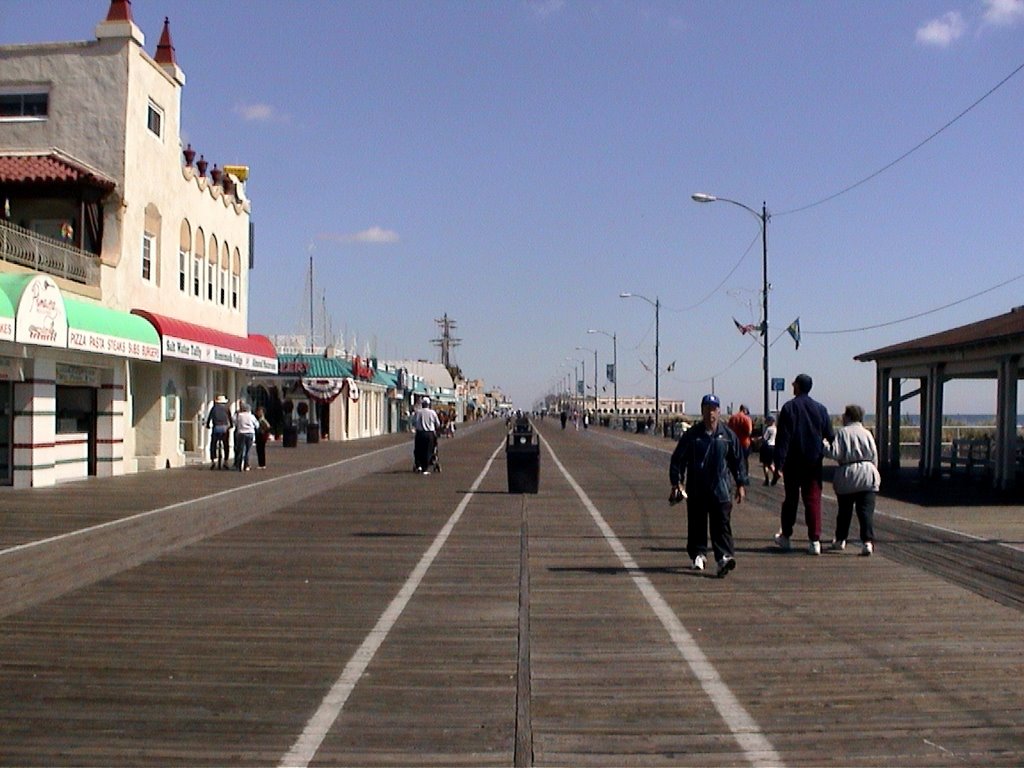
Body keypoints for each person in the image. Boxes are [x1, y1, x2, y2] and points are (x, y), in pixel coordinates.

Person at [669, 393, 748, 577]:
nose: (710, 414)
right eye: (706, 409)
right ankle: (698, 554)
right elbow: (678, 459)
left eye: (713, 410)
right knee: (697, 523)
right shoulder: (692, 435)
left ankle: (724, 558)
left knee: (722, 524)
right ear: (702, 411)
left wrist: (741, 484)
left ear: (719, 411)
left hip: (721, 489)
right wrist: (676, 482)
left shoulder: (728, 436)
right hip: (697, 488)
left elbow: (738, 461)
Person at [773, 373, 835, 555]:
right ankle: (814, 540)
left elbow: (783, 439)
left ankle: (786, 536)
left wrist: (778, 465)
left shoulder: (789, 408)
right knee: (813, 500)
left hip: (793, 462)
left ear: (798, 386)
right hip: (813, 462)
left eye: (794, 384)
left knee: (791, 499)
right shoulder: (821, 409)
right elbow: (830, 435)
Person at [824, 404, 880, 556]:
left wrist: (823, 444)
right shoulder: (867, 433)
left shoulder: (843, 433)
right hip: (868, 474)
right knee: (865, 512)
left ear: (848, 416)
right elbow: (874, 455)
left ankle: (841, 539)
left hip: (848, 474)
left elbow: (835, 453)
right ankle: (867, 542)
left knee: (844, 511)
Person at [411, 396, 441, 474]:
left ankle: (419, 466)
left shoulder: (418, 412)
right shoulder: (432, 413)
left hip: (420, 433)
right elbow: (438, 424)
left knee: (418, 450)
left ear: (422, 404)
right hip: (429, 434)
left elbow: (413, 422)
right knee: (429, 450)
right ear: (428, 404)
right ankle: (425, 468)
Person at [205, 394, 232, 470]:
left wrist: (208, 425)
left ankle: (213, 460)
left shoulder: (214, 408)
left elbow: (209, 417)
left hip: (216, 427)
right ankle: (226, 461)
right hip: (224, 428)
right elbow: (230, 418)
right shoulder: (227, 408)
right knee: (226, 444)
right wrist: (231, 425)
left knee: (213, 444)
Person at [233, 401, 259, 471]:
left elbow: (234, 422)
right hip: (250, 433)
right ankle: (246, 465)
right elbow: (257, 424)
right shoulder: (251, 416)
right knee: (248, 450)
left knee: (240, 449)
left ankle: (238, 464)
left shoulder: (239, 415)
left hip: (241, 433)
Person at [727, 404, 753, 472]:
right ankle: (744, 475)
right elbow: (749, 432)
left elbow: (728, 429)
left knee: (735, 459)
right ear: (745, 410)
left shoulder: (733, 417)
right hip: (744, 443)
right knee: (744, 460)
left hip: (734, 442)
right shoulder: (746, 418)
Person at [758, 415, 777, 486]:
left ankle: (767, 479)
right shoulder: (776, 429)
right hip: (773, 446)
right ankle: (775, 474)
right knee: (771, 463)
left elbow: (764, 438)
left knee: (765, 464)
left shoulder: (768, 429)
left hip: (766, 447)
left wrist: (757, 440)